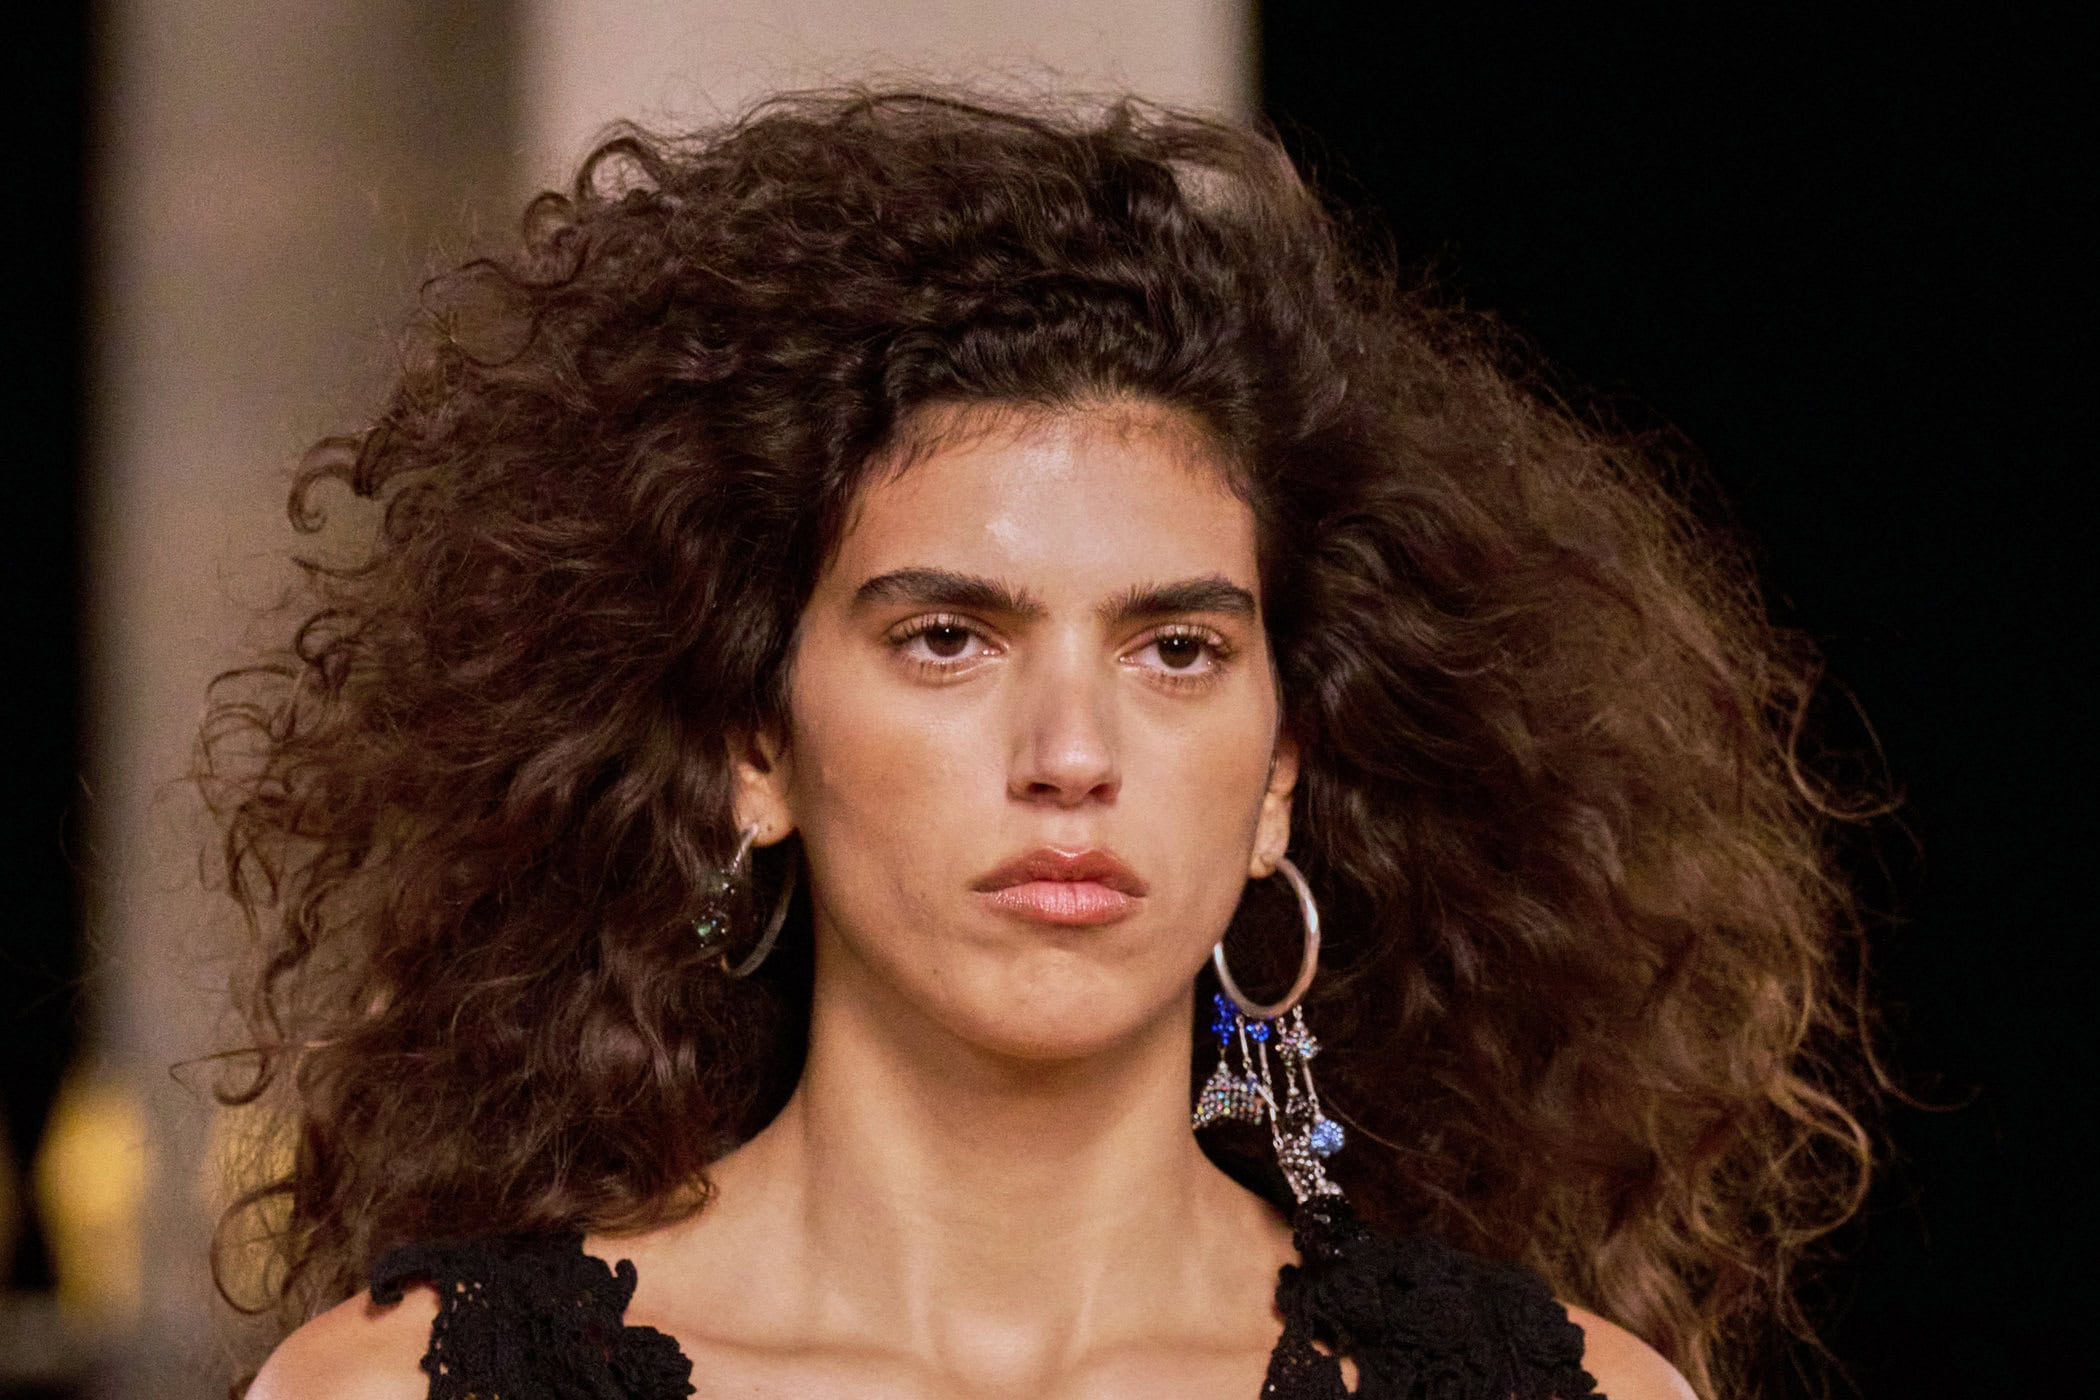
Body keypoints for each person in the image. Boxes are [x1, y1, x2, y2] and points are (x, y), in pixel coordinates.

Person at [205, 87, 1873, 1400]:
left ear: (1281, 774)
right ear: (752, 749)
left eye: (1176, 650)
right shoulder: (407, 1390)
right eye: (949, 638)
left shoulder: (1563, 1393)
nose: (1071, 754)